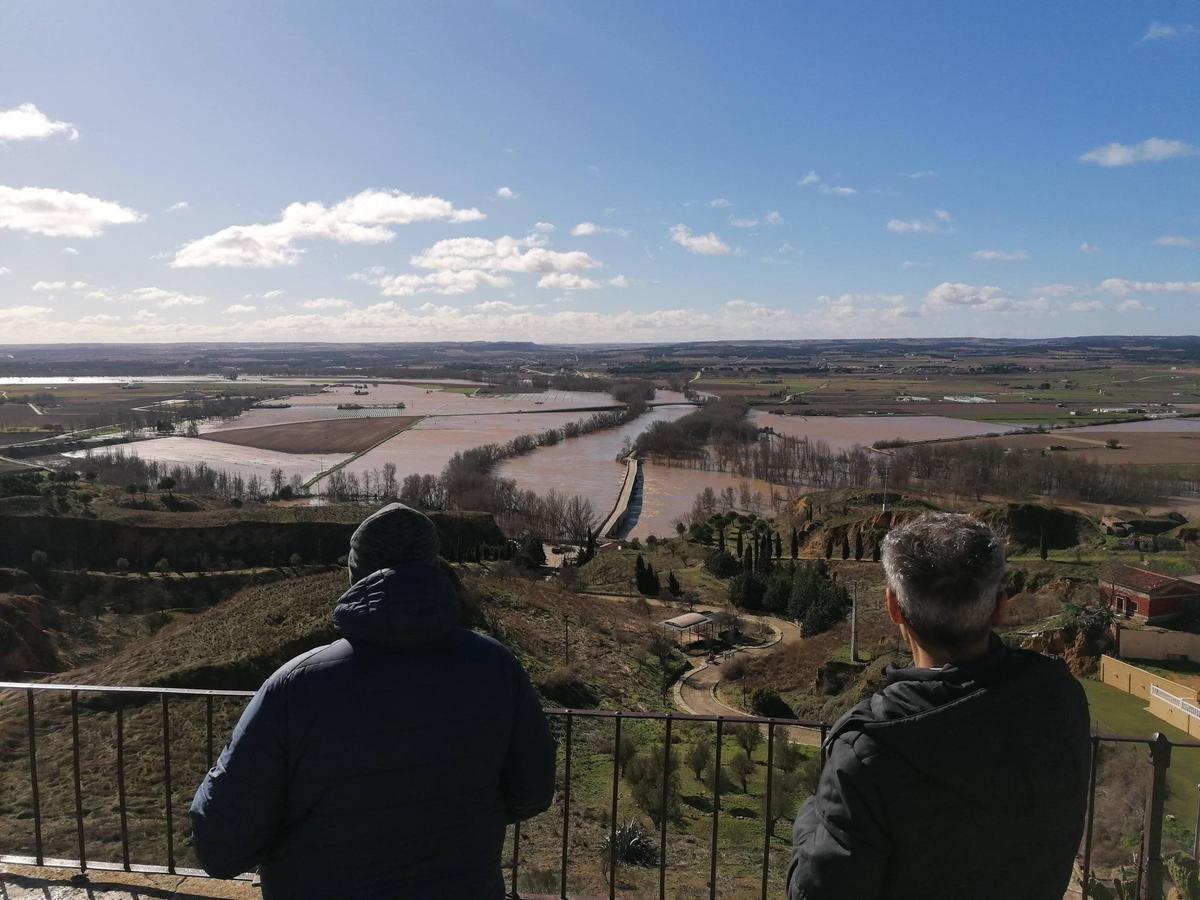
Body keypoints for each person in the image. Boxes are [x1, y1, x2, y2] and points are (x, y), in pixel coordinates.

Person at [190, 502, 557, 899]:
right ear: (434, 571)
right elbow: (533, 792)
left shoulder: (294, 687)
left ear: (354, 577)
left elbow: (220, 846)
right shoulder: (497, 667)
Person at [787, 513, 1090, 900]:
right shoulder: (1059, 698)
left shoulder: (868, 752)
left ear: (894, 608)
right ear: (999, 608)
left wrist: (811, 817)